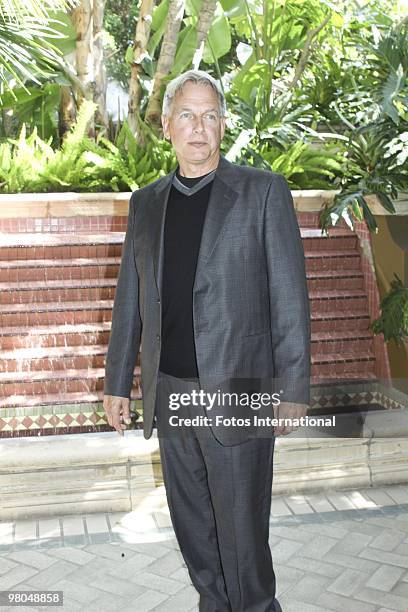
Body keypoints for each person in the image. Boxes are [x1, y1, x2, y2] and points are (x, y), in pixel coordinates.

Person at [103, 69, 310, 612]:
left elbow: (290, 295)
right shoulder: (145, 204)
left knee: (243, 538)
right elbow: (131, 297)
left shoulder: (263, 193)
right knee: (194, 531)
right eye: (188, 116)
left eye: (210, 115)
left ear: (224, 126)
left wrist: (292, 388)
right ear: (167, 126)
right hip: (171, 392)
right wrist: (117, 381)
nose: (199, 127)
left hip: (237, 389)